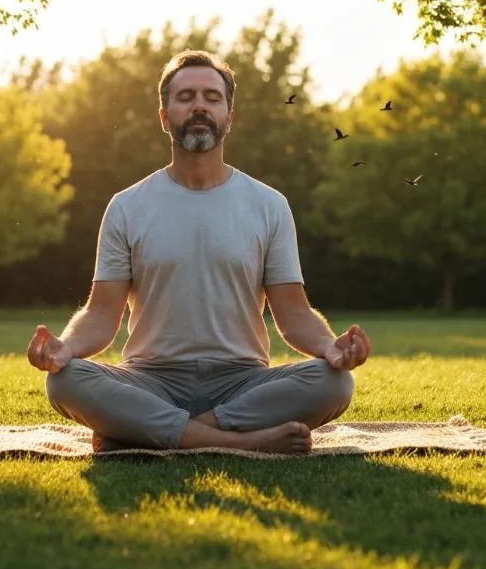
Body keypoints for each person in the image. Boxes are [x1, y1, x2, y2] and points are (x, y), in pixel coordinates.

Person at [27, 50, 371, 454]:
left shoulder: (268, 204)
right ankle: (241, 442)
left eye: (212, 97)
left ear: (229, 116)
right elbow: (102, 313)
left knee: (333, 382)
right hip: (150, 381)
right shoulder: (127, 206)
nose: (199, 106)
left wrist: (331, 348)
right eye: (186, 96)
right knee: (65, 380)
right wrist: (65, 348)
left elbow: (293, 313)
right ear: (164, 115)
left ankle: (149, 432)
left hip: (241, 383)